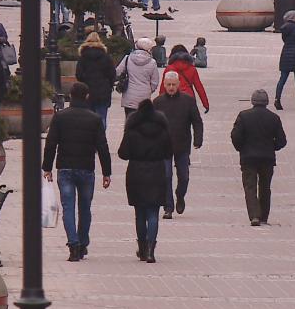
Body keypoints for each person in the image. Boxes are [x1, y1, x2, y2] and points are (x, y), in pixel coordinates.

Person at [42, 82, 112, 262]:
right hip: (86, 168)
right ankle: (82, 243)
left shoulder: (60, 117)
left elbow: (51, 143)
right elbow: (102, 147)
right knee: (85, 208)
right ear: (87, 96)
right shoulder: (94, 119)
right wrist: (107, 172)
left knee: (68, 208)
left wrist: (47, 167)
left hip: (65, 167)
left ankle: (73, 244)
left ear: (70, 97)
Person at [118, 99, 173, 264]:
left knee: (140, 214)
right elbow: (169, 152)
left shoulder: (132, 131)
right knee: (153, 213)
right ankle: (150, 250)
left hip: (136, 173)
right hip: (156, 172)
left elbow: (123, 153)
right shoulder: (162, 131)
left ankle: (142, 249)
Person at [231, 89, 287, 226]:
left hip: (248, 157)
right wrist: (272, 147)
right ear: (266, 102)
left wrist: (241, 148)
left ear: (253, 101)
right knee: (265, 187)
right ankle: (263, 216)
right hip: (267, 158)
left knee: (250, 186)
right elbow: (282, 140)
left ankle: (254, 215)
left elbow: (235, 136)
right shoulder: (274, 118)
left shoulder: (243, 116)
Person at [153, 72, 203, 219]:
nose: (171, 87)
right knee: (166, 176)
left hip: (182, 144)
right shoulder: (158, 102)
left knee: (184, 177)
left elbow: (197, 121)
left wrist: (198, 139)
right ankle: (168, 207)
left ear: (179, 85)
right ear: (164, 85)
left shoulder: (188, 101)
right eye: (168, 84)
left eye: (173, 84)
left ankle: (180, 196)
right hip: (163, 146)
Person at [76, 32, 116, 131]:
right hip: (103, 91)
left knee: (88, 118)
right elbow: (112, 74)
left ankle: (90, 139)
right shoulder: (106, 57)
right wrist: (109, 86)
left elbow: (79, 75)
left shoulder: (83, 57)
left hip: (87, 91)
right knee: (102, 117)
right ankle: (101, 139)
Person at [159, 44, 210, 113]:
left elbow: (163, 86)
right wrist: (205, 104)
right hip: (189, 98)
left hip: (172, 97)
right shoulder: (192, 68)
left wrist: (160, 103)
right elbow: (199, 87)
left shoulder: (169, 68)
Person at [116, 37, 160, 117]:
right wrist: (149, 90)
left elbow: (118, 72)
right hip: (144, 96)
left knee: (130, 120)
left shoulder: (128, 58)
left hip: (129, 95)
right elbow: (155, 82)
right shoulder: (152, 62)